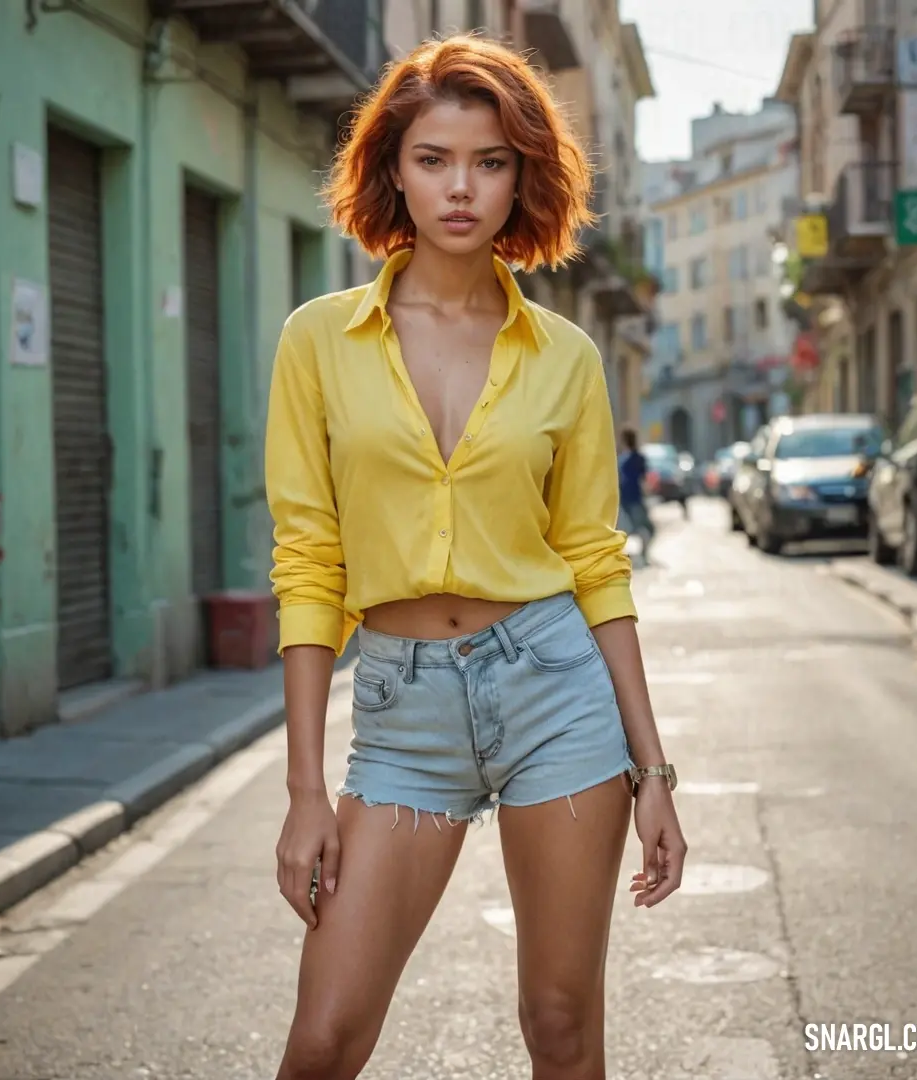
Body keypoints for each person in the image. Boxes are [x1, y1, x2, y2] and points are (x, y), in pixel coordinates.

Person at [264, 33, 687, 1080]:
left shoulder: (567, 358)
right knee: (324, 1039)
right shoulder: (318, 341)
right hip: (404, 713)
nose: (462, 188)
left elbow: (595, 558)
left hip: (555, 694)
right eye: (434, 159)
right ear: (392, 170)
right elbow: (309, 560)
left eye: (490, 162)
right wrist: (305, 791)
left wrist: (654, 770)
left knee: (559, 1023)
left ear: (522, 177)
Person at [618, 425, 655, 566]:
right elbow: (645, 481)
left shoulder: (622, 460)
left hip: (623, 500)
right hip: (635, 499)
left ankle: (630, 556)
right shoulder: (639, 458)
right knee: (646, 528)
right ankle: (643, 556)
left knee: (629, 529)